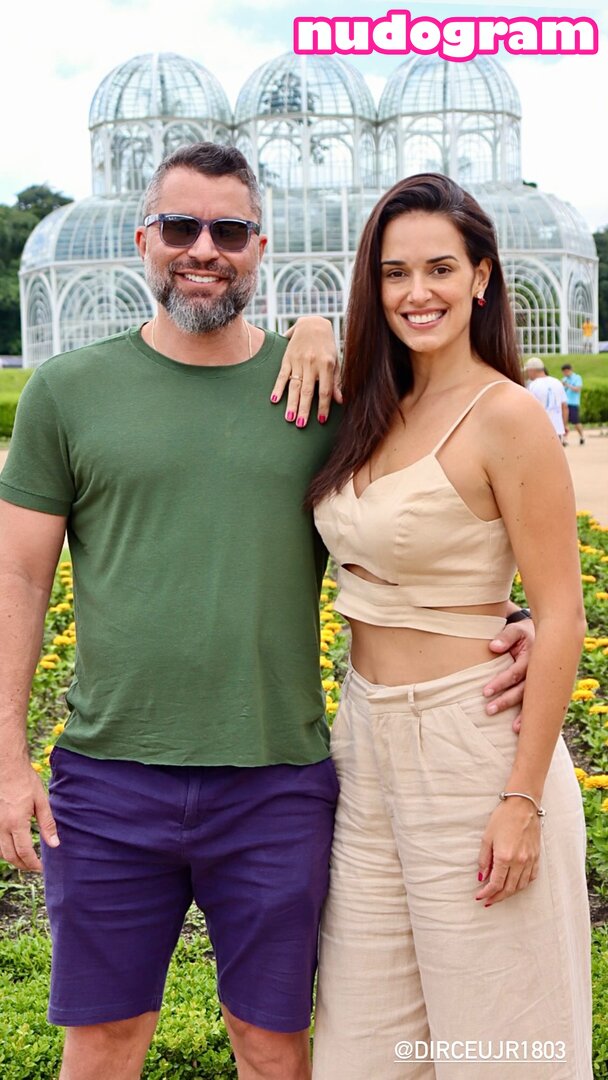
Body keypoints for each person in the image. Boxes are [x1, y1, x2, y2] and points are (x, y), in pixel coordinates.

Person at [0, 145, 534, 1080]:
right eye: (180, 226)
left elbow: (414, 522)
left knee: (274, 1046)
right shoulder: (67, 393)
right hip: (110, 778)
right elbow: (17, 583)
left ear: (261, 247)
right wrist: (7, 759)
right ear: (143, 240)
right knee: (104, 1044)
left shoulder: (323, 394)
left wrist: (510, 615)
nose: (203, 249)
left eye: (231, 229)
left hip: (276, 784)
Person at [305, 174, 591, 1078]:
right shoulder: (368, 405)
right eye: (394, 273)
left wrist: (521, 799)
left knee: (503, 1047)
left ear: (481, 277)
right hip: (363, 743)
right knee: (361, 1053)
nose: (416, 292)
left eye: (439, 268)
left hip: (474, 745)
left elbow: (562, 614)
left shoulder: (506, 415)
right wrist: (310, 328)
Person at [524, 356, 568, 443]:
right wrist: (564, 426)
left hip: (541, 430)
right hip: (557, 429)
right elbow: (565, 407)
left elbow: (529, 409)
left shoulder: (533, 385)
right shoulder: (557, 382)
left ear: (532, 370)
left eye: (527, 371)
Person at [561, 362, 585, 444]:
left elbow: (577, 389)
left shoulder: (577, 378)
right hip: (564, 403)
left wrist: (567, 385)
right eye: (564, 372)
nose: (565, 373)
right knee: (564, 422)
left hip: (573, 403)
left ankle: (582, 436)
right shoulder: (563, 379)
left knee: (576, 422)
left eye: (566, 371)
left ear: (570, 370)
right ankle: (564, 439)